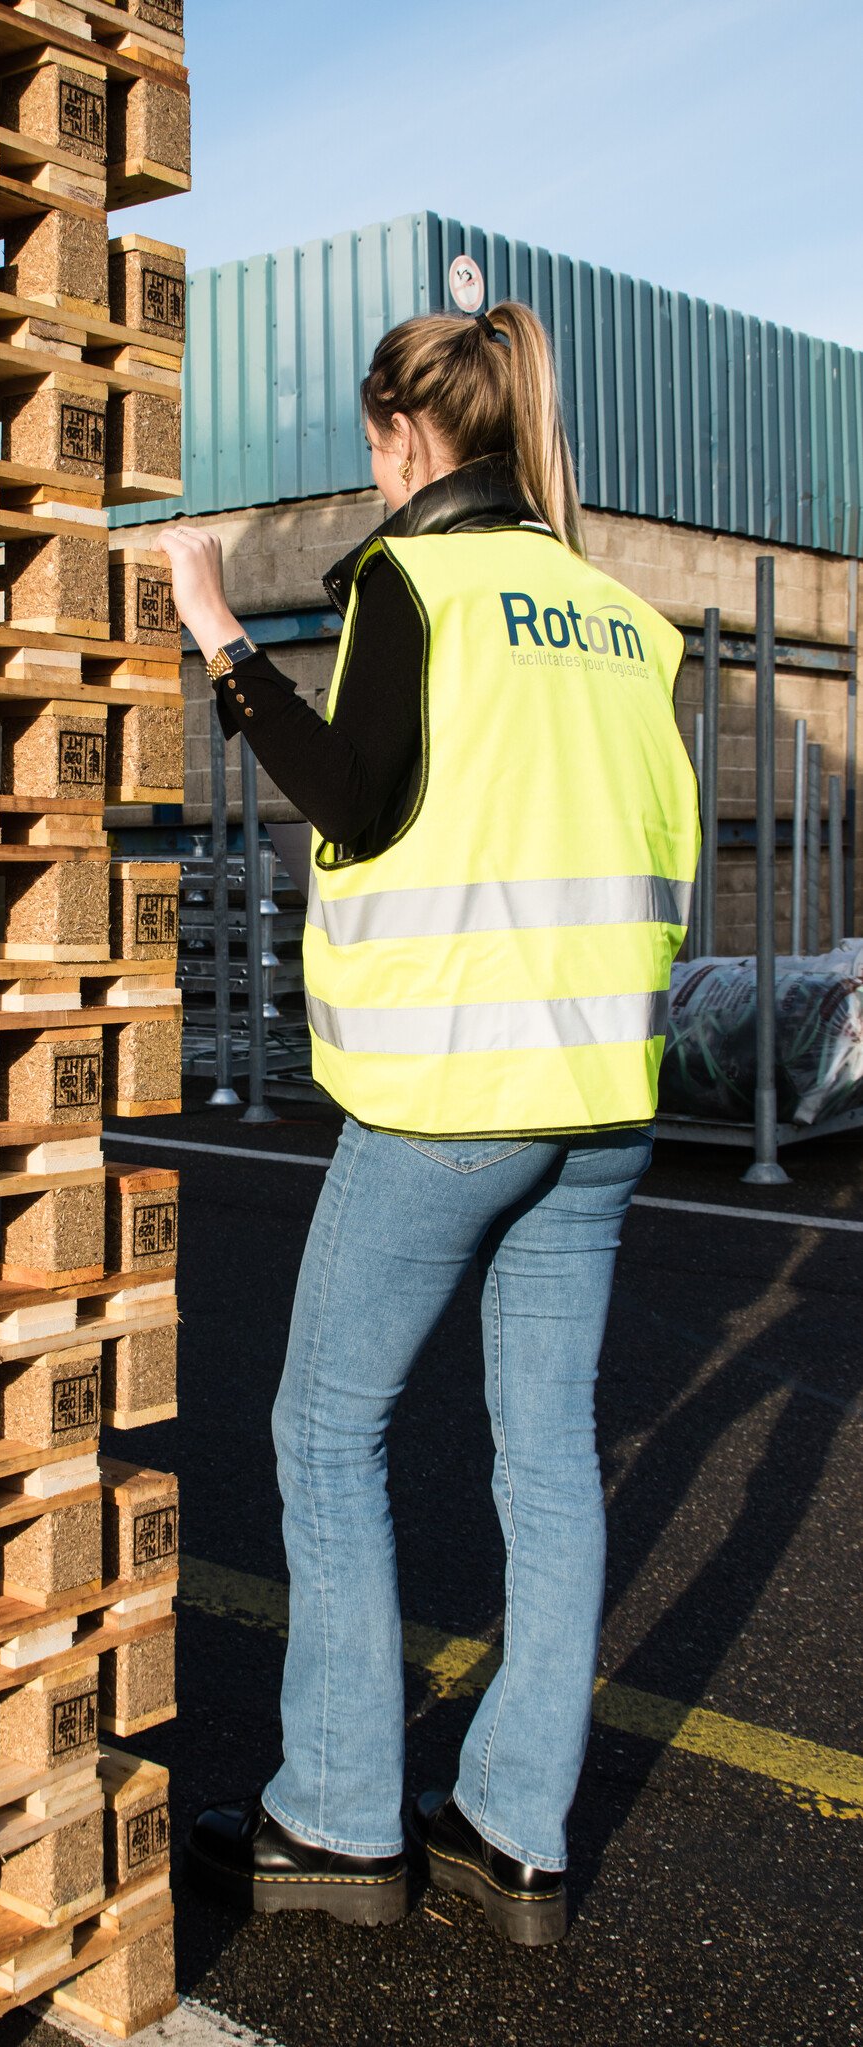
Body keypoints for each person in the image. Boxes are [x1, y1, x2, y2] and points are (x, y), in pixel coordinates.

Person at [158, 300, 700, 1945]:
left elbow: (354, 795)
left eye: (372, 448)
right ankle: (512, 1836)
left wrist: (217, 632)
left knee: (326, 1435)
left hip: (451, 1094)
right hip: (603, 1099)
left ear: (401, 437)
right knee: (545, 1456)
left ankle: (334, 1818)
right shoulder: (620, 615)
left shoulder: (416, 579)